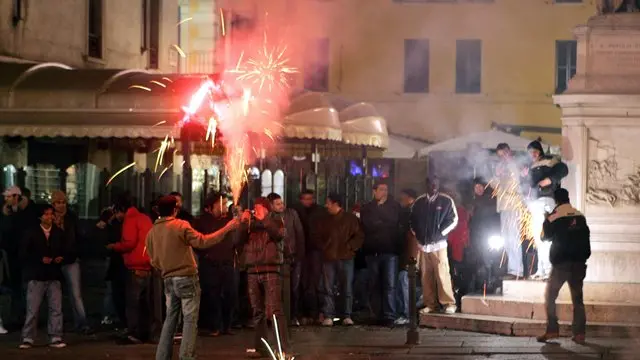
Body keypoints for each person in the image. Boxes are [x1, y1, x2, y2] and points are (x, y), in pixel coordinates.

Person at [146, 195, 239, 360]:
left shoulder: (153, 231)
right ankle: (186, 356)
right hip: (186, 277)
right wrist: (227, 228)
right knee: (189, 320)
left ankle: (162, 356)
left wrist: (166, 268)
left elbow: (153, 260)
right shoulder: (180, 226)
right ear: (175, 210)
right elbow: (202, 242)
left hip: (168, 279)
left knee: (170, 320)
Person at [536, 188, 590, 345]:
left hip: (561, 265)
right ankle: (579, 333)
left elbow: (544, 237)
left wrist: (546, 220)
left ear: (556, 201)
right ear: (568, 199)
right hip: (579, 264)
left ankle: (552, 329)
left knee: (550, 296)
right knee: (578, 299)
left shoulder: (553, 217)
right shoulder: (580, 215)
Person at [236, 197, 288, 358]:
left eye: (260, 207)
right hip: (252, 270)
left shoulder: (276, 220)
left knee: (274, 311)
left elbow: (278, 235)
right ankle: (261, 347)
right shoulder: (250, 224)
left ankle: (282, 348)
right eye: (255, 207)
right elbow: (236, 241)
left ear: (267, 209)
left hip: (270, 269)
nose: (256, 210)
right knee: (257, 311)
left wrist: (264, 219)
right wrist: (243, 224)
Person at [107, 194, 160, 344]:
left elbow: (129, 243)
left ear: (121, 210)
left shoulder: (130, 220)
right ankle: (148, 333)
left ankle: (134, 334)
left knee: (133, 304)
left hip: (135, 266)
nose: (116, 216)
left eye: (116, 212)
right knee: (146, 304)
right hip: (147, 266)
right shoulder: (145, 218)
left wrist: (114, 246)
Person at [19, 204, 67, 349]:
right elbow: (23, 253)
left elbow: (67, 249)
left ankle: (55, 336)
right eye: (46, 214)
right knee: (33, 309)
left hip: (53, 275)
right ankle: (28, 337)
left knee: (56, 308)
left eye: (50, 214)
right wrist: (39, 259)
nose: (49, 217)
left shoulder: (58, 232)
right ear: (40, 217)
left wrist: (60, 257)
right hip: (37, 275)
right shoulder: (31, 233)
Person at [410, 177, 458, 314]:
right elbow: (412, 220)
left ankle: (449, 303)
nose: (433, 186)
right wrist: (418, 236)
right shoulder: (419, 202)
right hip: (423, 245)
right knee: (426, 276)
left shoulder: (446, 200)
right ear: (426, 185)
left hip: (439, 245)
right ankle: (430, 304)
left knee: (442, 274)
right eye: (431, 184)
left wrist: (440, 233)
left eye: (436, 184)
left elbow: (453, 219)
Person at [194, 193, 238, 336]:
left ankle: (227, 325)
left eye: (226, 204)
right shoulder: (201, 222)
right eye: (221, 204)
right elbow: (197, 242)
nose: (224, 207)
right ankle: (214, 326)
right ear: (209, 207)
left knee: (230, 294)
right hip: (210, 264)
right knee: (212, 295)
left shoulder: (229, 220)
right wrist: (205, 254)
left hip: (227, 263)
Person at [524, 140, 568, 280]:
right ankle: (541, 269)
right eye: (530, 152)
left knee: (546, 236)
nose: (533, 154)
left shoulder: (549, 160)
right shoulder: (529, 166)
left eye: (535, 151)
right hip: (534, 203)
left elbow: (563, 169)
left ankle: (550, 270)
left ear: (540, 150)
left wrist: (549, 179)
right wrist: (523, 176)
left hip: (546, 200)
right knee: (538, 237)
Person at [318, 193, 364, 327]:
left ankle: (346, 314)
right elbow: (318, 236)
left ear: (335, 204)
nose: (326, 206)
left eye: (328, 203)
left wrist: (350, 247)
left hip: (345, 257)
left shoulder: (350, 219)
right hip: (330, 257)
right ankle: (329, 315)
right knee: (328, 287)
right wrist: (324, 247)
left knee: (346, 287)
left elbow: (359, 236)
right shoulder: (325, 220)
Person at [360, 182, 402, 326]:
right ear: (374, 191)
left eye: (386, 189)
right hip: (373, 251)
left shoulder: (394, 206)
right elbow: (368, 224)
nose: (384, 192)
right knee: (374, 284)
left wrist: (381, 212)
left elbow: (394, 222)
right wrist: (383, 220)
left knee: (389, 284)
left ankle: (389, 315)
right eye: (381, 189)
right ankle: (376, 314)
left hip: (390, 251)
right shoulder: (367, 207)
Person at [51, 190, 91, 334]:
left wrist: (74, 253)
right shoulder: (50, 218)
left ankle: (82, 323)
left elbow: (77, 238)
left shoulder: (71, 218)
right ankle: (60, 325)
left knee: (75, 294)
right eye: (58, 203)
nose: (61, 206)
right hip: (56, 260)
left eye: (63, 202)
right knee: (57, 295)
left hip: (70, 259)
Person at [267, 193, 305, 326]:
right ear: (271, 206)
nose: (281, 206)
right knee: (277, 289)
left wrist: (299, 254)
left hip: (292, 256)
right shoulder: (269, 218)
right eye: (277, 204)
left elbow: (299, 233)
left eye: (281, 203)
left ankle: (293, 315)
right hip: (277, 258)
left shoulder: (291, 214)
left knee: (294, 288)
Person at [291, 190, 327, 325]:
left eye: (310, 199)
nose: (308, 202)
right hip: (302, 250)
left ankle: (315, 312)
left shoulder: (319, 212)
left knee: (315, 282)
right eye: (305, 199)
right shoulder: (296, 211)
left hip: (315, 249)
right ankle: (303, 313)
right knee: (301, 283)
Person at [495, 143, 525, 279]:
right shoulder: (500, 166)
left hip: (514, 205)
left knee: (514, 238)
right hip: (503, 206)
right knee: (506, 239)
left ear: (509, 151)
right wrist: (497, 175)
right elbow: (495, 185)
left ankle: (517, 270)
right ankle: (511, 269)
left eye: (504, 154)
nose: (503, 158)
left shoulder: (517, 164)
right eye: (500, 156)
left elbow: (521, 182)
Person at [467, 178, 501, 293]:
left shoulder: (491, 200)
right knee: (480, 260)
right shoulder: (471, 202)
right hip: (477, 236)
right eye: (476, 187)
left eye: (480, 186)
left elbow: (496, 217)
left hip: (490, 234)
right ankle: (481, 284)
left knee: (491, 259)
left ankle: (493, 282)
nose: (479, 189)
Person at [395, 189, 417, 325]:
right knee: (402, 282)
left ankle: (407, 314)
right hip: (404, 253)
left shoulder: (412, 213)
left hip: (409, 255)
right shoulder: (406, 212)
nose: (400, 200)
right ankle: (405, 312)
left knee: (405, 283)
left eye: (402, 197)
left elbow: (412, 237)